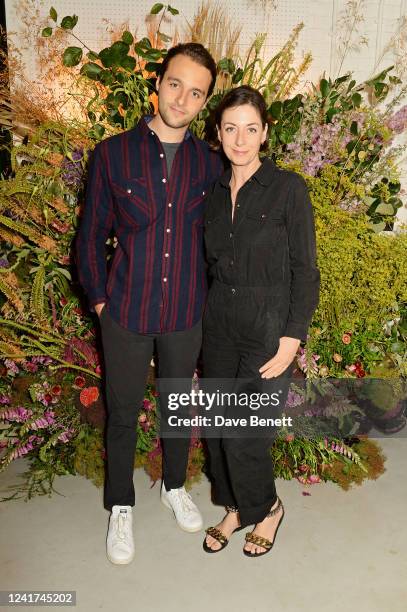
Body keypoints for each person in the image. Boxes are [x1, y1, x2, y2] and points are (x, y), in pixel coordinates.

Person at [75, 43, 223, 565]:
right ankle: (120, 505)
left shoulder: (211, 163)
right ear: (157, 82)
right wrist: (99, 302)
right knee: (122, 413)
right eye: (176, 83)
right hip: (127, 312)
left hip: (186, 311)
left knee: (179, 408)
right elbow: (89, 238)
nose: (183, 98)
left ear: (205, 102)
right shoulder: (112, 154)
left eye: (197, 92)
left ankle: (174, 486)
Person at [201, 85, 320, 557]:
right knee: (215, 426)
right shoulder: (212, 193)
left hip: (268, 329)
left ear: (265, 132)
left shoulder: (289, 188)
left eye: (251, 128)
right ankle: (234, 505)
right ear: (218, 133)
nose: (240, 139)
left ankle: (267, 508)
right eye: (231, 128)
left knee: (243, 430)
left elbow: (306, 270)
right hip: (219, 327)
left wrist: (293, 337)